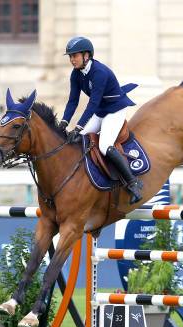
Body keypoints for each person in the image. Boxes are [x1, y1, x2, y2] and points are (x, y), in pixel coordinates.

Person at [59, 36, 142, 204]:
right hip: (101, 111)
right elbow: (73, 101)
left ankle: (133, 183)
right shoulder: (76, 74)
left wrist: (78, 126)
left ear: (86, 55)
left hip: (115, 110)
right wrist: (64, 122)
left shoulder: (100, 72)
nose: (72, 60)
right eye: (70, 56)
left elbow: (93, 102)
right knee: (80, 140)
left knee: (105, 146)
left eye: (74, 56)